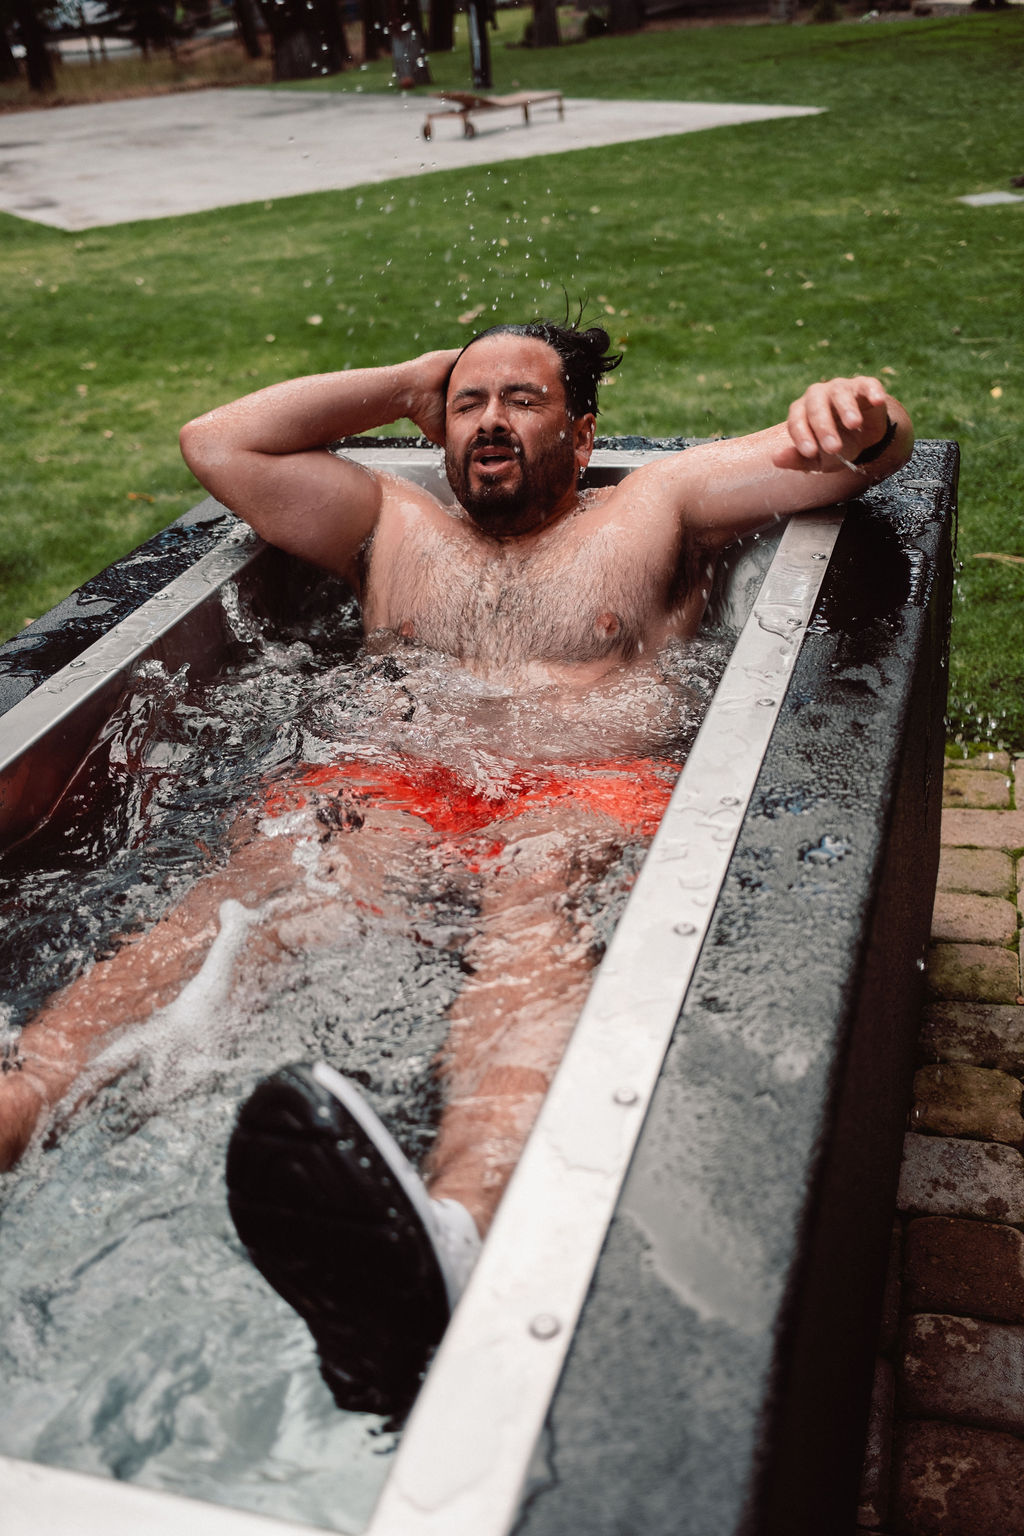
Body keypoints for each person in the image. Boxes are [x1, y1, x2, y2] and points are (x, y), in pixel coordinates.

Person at [0, 319, 913, 1419]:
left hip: (579, 790)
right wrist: (405, 382)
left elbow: (854, 459)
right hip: (395, 787)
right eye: (470, 401)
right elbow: (218, 443)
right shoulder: (389, 523)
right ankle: (22, 1100)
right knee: (261, 885)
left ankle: (458, 1227)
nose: (490, 420)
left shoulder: (656, 505)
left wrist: (863, 416)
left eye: (522, 400)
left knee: (536, 904)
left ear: (582, 434)